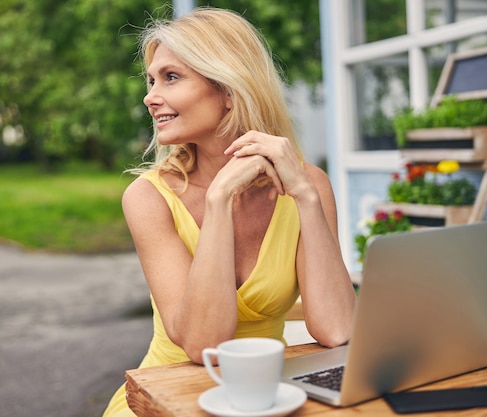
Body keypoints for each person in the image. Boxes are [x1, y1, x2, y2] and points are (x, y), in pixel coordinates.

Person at [102, 7, 356, 417]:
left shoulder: (308, 186)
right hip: (166, 400)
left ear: (229, 90)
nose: (150, 96)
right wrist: (219, 201)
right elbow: (205, 347)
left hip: (264, 397)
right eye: (151, 80)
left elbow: (337, 328)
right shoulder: (147, 197)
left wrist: (307, 197)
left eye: (170, 77)